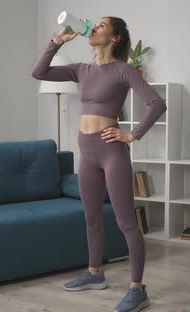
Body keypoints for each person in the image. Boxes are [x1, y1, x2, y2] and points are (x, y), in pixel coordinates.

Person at [31, 16, 166, 312]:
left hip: (111, 151)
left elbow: (157, 103)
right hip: (86, 150)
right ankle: (94, 273)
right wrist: (57, 41)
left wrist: (132, 134)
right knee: (91, 218)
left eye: (103, 25)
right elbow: (38, 72)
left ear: (115, 37)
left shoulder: (123, 70)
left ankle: (138, 289)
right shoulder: (82, 69)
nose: (95, 28)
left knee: (126, 222)